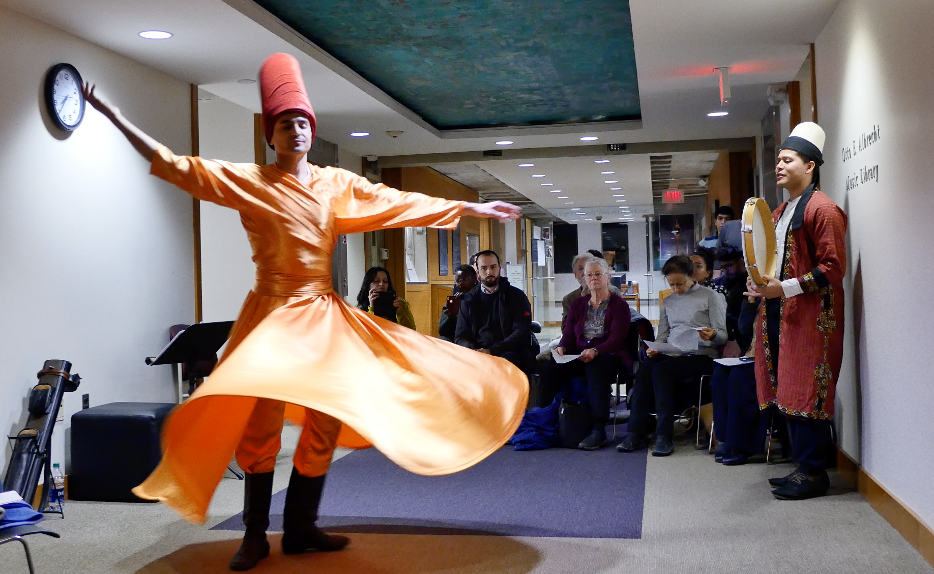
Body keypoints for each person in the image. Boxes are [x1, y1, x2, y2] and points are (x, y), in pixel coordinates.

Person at [81, 53, 527, 572]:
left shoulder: (334, 183)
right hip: (271, 315)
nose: (295, 130)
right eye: (286, 124)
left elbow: (393, 198)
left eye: (302, 123)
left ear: (310, 133)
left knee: (326, 418)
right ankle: (253, 533)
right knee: (261, 423)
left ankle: (299, 527)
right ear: (270, 134)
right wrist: (114, 116)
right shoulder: (249, 180)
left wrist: (470, 208)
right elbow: (180, 168)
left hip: (321, 313)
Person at [745, 121, 847, 500]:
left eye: (788, 160)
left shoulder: (824, 210)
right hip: (783, 312)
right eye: (779, 160)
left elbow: (833, 268)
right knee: (786, 383)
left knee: (807, 385)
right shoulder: (780, 210)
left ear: (810, 166)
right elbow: (772, 263)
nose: (779, 166)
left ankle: (814, 472)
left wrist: (781, 288)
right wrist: (760, 285)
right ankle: (802, 466)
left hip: (812, 317)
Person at [617, 255, 727, 457]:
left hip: (701, 355)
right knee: (646, 367)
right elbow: (663, 335)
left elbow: (722, 335)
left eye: (680, 283)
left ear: (691, 275)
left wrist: (712, 335)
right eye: (672, 284)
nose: (676, 289)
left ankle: (664, 435)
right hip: (674, 351)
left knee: (662, 370)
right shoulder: (668, 301)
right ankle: (636, 432)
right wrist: (655, 348)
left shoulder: (711, 296)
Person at [547, 257, 631, 450]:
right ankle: (549, 417)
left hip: (610, 355)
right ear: (584, 278)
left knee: (596, 367)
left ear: (608, 277)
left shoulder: (619, 305)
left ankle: (598, 428)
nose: (593, 279)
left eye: (597, 274)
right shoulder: (578, 304)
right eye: (589, 275)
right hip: (580, 353)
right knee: (551, 363)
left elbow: (617, 339)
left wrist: (596, 350)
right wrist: (562, 348)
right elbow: (568, 335)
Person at [454, 250, 535, 375]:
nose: (489, 272)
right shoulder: (468, 300)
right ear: (477, 272)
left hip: (508, 351)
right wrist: (475, 351)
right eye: (484, 268)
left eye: (493, 267)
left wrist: (492, 351)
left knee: (507, 362)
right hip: (477, 354)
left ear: (499, 268)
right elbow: (460, 336)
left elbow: (521, 333)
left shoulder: (516, 296)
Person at [710, 297, 766, 465]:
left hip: (771, 359)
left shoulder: (779, 299)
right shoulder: (756, 302)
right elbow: (744, 332)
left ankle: (741, 445)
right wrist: (750, 302)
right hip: (750, 356)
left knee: (739, 377)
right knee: (720, 373)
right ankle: (724, 438)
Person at [561, 253, 620, 330]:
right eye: (581, 269)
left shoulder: (612, 292)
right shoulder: (569, 299)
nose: (586, 272)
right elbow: (566, 330)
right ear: (575, 274)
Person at [438, 264, 478, 342]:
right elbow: (442, 331)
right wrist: (451, 319)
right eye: (458, 281)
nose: (461, 283)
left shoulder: (482, 298)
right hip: (458, 340)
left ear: (474, 279)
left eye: (464, 279)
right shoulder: (454, 301)